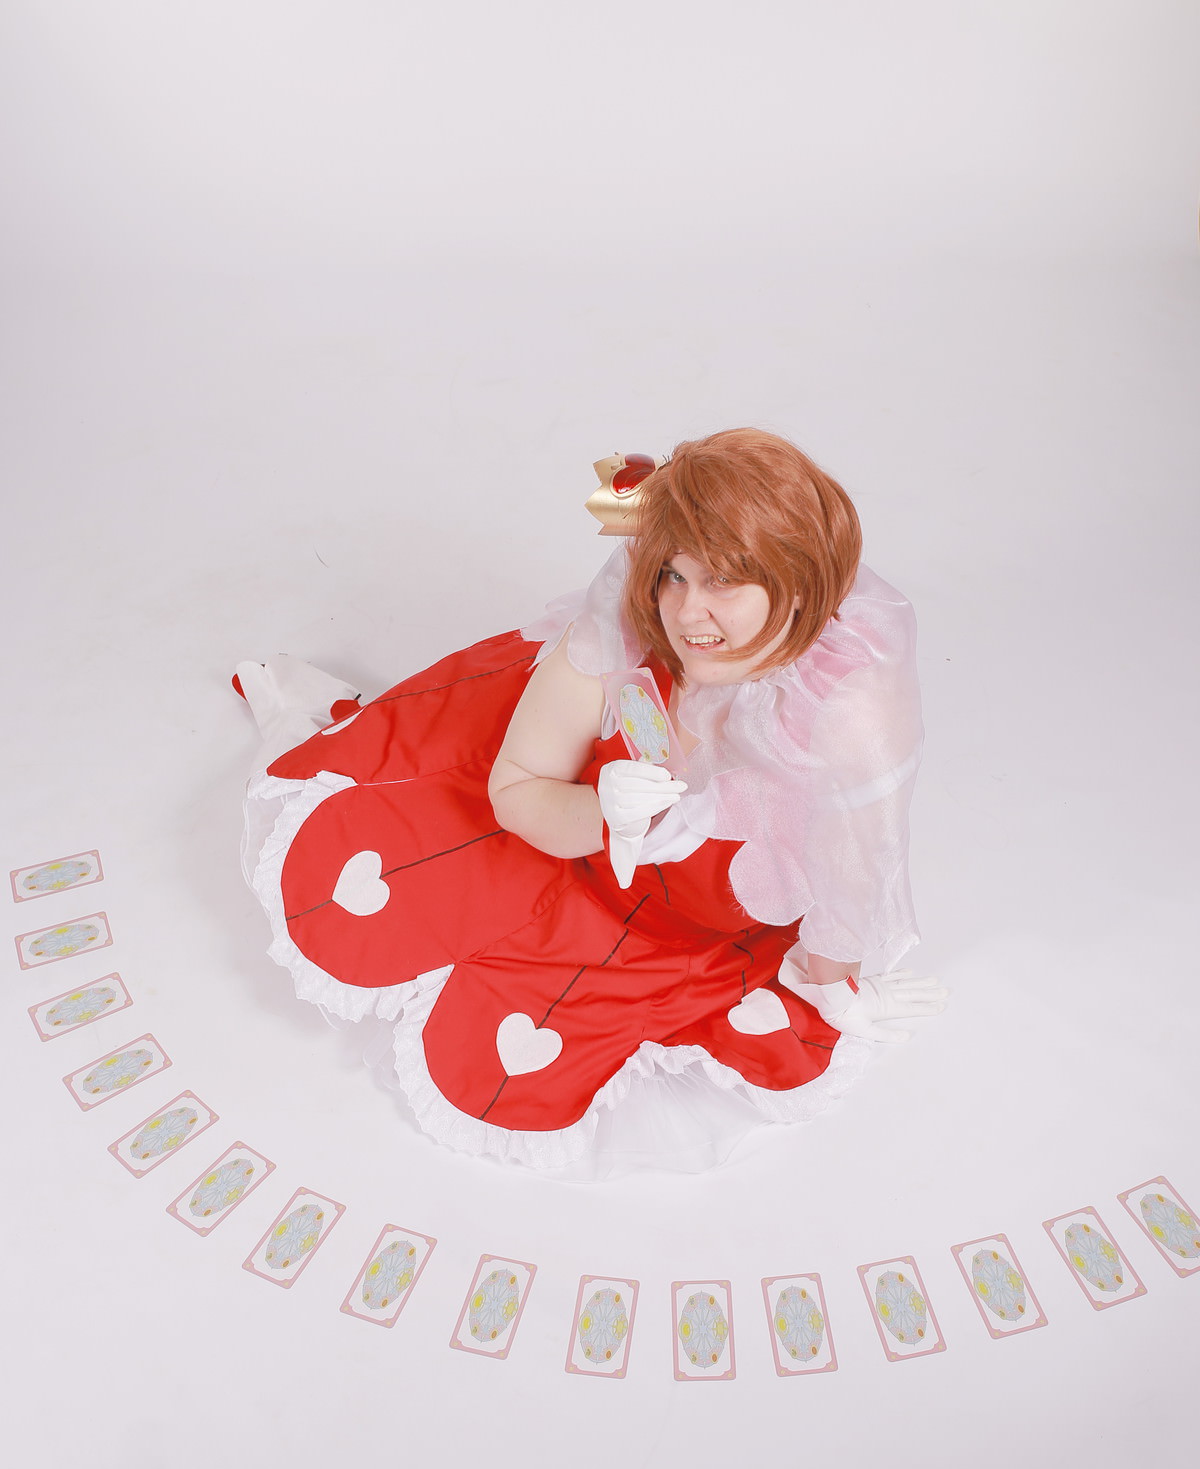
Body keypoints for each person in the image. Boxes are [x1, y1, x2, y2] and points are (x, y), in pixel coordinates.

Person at [237, 428, 945, 1177]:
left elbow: (855, 868)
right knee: (392, 831)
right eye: (672, 575)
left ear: (797, 585)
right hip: (563, 865)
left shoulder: (843, 718)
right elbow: (517, 790)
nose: (686, 613)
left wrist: (837, 987)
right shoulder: (616, 648)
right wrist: (601, 815)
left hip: (705, 938)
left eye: (723, 581)